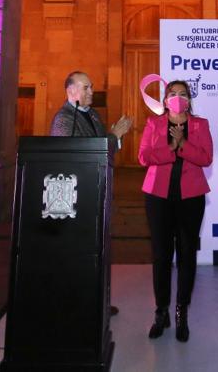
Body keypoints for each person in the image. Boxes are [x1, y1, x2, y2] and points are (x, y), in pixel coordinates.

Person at [49, 70, 132, 317]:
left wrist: (114, 138)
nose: (91, 92)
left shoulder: (93, 115)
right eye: (86, 87)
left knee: (99, 252)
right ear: (71, 91)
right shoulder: (63, 119)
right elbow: (72, 156)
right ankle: (78, 305)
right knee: (79, 255)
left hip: (97, 193)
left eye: (91, 87)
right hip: (77, 199)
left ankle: (99, 302)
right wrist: (114, 136)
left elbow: (101, 150)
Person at [138, 80, 213, 342]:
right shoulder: (153, 123)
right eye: (172, 94)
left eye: (183, 94)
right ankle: (161, 311)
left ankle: (182, 312)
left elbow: (206, 158)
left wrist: (183, 144)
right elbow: (144, 157)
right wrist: (171, 147)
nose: (178, 98)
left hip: (191, 198)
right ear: (165, 99)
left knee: (186, 254)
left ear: (189, 99)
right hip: (158, 197)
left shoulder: (200, 124)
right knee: (161, 256)